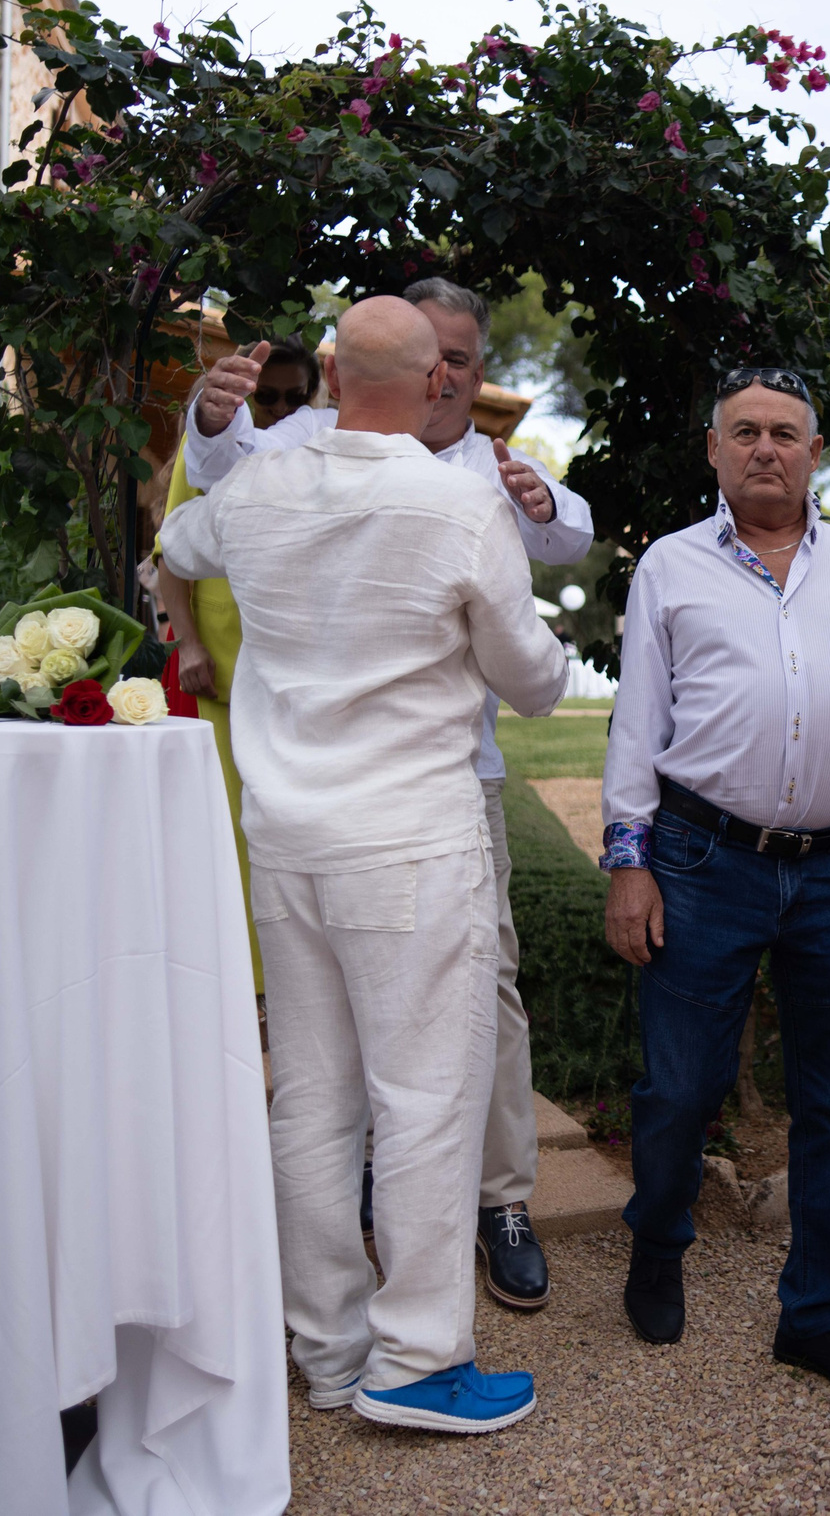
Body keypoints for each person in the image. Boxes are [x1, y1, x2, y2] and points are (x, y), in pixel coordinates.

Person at [157, 296, 569, 1431]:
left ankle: (329, 1351)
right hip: (409, 844)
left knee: (315, 1101)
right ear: (441, 380)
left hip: (287, 842)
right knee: (426, 1100)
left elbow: (174, 544)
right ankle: (418, 1363)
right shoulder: (457, 506)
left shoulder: (257, 490)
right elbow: (532, 683)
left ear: (331, 373)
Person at [598, 367, 830, 1400]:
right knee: (677, 1092)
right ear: (713, 450)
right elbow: (637, 722)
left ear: (815, 452)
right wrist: (629, 863)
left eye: (784, 433)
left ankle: (817, 1317)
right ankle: (659, 1241)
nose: (763, 448)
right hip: (702, 864)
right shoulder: (670, 566)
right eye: (743, 430)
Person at [153, 336, 329, 986]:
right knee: (228, 834)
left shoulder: (316, 454)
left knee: (283, 836)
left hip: (289, 672)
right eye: (268, 394)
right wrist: (190, 644)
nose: (280, 408)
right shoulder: (209, 459)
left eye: (294, 396)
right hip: (218, 669)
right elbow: (170, 557)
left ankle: (280, 983)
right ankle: (233, 983)